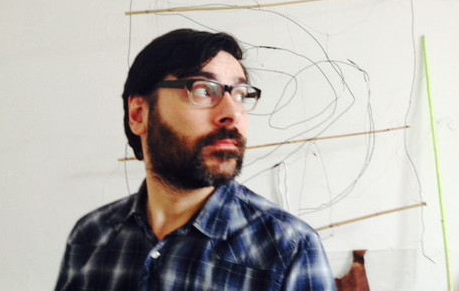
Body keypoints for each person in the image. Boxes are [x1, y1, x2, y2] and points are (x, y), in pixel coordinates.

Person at [55, 28, 336, 290]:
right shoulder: (91, 236)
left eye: (240, 95)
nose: (232, 113)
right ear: (139, 114)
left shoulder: (288, 250)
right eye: (204, 90)